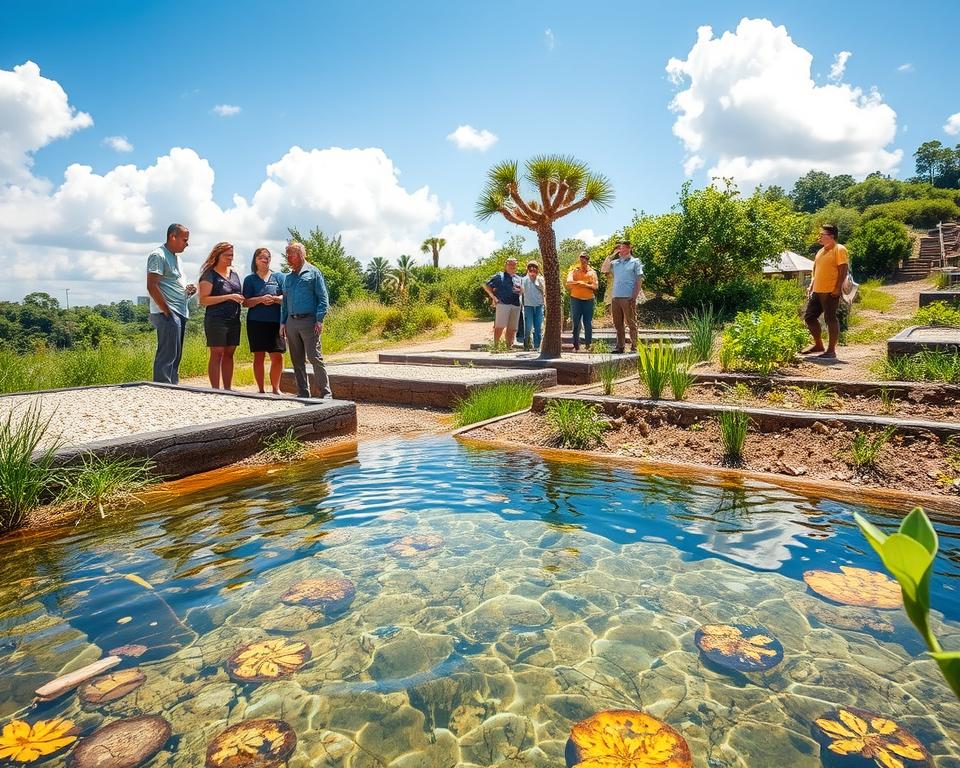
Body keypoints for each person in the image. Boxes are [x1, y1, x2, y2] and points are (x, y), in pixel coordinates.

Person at [146, 223, 196, 384]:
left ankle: (173, 388)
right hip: (168, 311)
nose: (187, 244)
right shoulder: (158, 255)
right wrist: (166, 310)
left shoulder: (177, 259)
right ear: (172, 237)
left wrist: (186, 290)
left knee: (176, 355)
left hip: (180, 310)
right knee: (167, 355)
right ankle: (162, 389)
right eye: (184, 240)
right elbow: (152, 285)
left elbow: (172, 282)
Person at [280, 241, 332, 398]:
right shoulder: (288, 278)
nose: (289, 257)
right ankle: (303, 392)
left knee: (314, 357)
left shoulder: (313, 273)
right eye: (287, 254)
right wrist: (283, 322)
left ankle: (326, 393)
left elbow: (323, 298)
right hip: (291, 322)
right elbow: (285, 303)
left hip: (309, 321)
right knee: (296, 360)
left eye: (292, 254)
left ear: (302, 255)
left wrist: (319, 319)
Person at [198, 241, 244, 389]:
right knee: (217, 353)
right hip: (216, 319)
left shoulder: (234, 274)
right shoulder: (209, 275)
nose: (231, 258)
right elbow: (203, 300)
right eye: (227, 255)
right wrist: (228, 297)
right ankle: (215, 390)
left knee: (230, 353)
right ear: (218, 255)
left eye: (232, 255)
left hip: (234, 319)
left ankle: (228, 388)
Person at [243, 247, 285, 394]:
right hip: (256, 322)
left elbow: (286, 298)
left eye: (267, 257)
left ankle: (276, 388)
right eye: (261, 257)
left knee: (277, 356)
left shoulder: (279, 277)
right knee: (259, 356)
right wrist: (260, 299)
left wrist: (275, 299)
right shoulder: (249, 279)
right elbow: (245, 302)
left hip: (275, 322)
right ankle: (261, 389)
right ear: (255, 260)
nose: (265, 259)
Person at [803, 223, 849, 360]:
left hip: (830, 290)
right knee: (809, 317)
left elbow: (843, 269)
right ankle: (818, 345)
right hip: (817, 290)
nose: (820, 237)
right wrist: (811, 285)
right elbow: (815, 271)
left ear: (831, 236)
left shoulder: (839, 249)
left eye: (822, 235)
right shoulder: (820, 251)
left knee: (830, 319)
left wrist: (837, 287)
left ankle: (831, 351)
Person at [601, 238, 644, 353]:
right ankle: (620, 347)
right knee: (618, 324)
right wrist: (612, 254)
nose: (621, 249)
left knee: (631, 322)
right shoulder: (615, 263)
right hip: (615, 297)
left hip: (628, 296)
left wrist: (634, 296)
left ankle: (635, 346)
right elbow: (603, 269)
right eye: (620, 247)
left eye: (624, 247)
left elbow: (639, 280)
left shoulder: (635, 261)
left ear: (629, 248)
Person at [482, 257, 522, 348]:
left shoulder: (519, 278)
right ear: (506, 265)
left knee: (512, 328)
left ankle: (508, 346)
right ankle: (496, 346)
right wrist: (493, 297)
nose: (512, 265)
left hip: (516, 305)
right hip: (503, 304)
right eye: (510, 264)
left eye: (514, 264)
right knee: (499, 326)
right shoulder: (499, 276)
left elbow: (521, 291)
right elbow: (486, 285)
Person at [566, 251, 599, 352]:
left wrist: (584, 285)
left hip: (589, 300)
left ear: (588, 259)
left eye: (584, 257)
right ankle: (576, 345)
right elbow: (568, 282)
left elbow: (595, 286)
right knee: (576, 322)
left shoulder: (592, 272)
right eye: (581, 257)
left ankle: (588, 345)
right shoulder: (573, 271)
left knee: (588, 322)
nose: (582, 259)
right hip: (575, 299)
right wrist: (580, 282)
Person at [520, 260, 546, 350]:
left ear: (537, 269)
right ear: (527, 269)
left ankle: (537, 346)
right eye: (530, 267)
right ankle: (527, 345)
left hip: (539, 305)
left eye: (535, 267)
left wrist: (536, 280)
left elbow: (544, 290)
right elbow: (521, 292)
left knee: (538, 327)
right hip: (528, 306)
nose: (532, 269)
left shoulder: (541, 279)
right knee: (528, 327)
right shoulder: (523, 280)